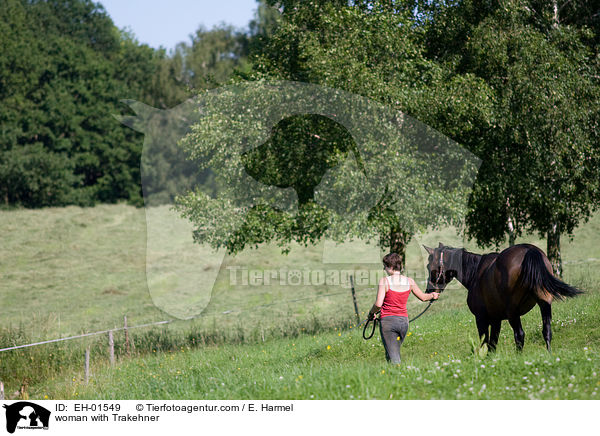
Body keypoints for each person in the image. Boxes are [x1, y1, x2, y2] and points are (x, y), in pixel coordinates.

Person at [368, 252, 439, 364]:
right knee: (392, 352)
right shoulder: (409, 281)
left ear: (391, 267)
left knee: (394, 358)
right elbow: (423, 298)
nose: (384, 269)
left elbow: (378, 304)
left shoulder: (384, 281)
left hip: (388, 322)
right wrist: (433, 295)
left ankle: (398, 377)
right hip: (403, 322)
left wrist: (371, 313)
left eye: (385, 266)